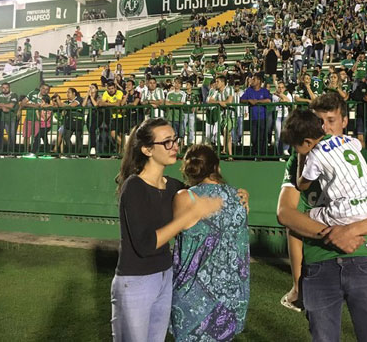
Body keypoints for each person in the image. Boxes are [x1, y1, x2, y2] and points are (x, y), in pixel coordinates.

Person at [276, 92, 367, 341]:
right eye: (319, 122)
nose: (325, 128)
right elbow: (285, 213)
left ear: (345, 121)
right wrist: (334, 235)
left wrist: (350, 231)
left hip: (363, 259)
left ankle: (296, 290)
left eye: (331, 120)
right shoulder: (301, 158)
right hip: (318, 265)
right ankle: (297, 288)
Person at [111, 118, 224, 342]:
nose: (175, 147)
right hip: (135, 282)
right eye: (167, 142)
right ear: (147, 149)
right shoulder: (133, 187)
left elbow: (205, 194)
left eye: (175, 140)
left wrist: (239, 194)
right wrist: (188, 217)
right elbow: (145, 244)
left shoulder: (173, 186)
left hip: (164, 277)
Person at [171, 144, 250, 341]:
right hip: (230, 296)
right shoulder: (239, 197)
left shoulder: (185, 197)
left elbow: (174, 233)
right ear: (217, 167)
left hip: (192, 296)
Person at [240, 74, 271, 158]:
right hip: (253, 118)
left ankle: (261, 155)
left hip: (262, 117)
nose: (251, 81)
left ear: (259, 81)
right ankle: (255, 152)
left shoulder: (264, 91)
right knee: (253, 137)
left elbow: (268, 100)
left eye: (254, 79)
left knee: (261, 137)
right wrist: (249, 100)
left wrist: (257, 102)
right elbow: (241, 100)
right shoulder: (249, 90)